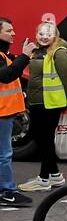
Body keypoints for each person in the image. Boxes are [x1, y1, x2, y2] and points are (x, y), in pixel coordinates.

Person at [18, 20, 67, 193]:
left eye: (48, 34)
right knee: (41, 137)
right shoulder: (37, 51)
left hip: (50, 103)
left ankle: (44, 178)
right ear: (36, 35)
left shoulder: (59, 52)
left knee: (45, 139)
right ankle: (55, 175)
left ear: (55, 36)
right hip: (38, 102)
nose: (44, 37)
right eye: (41, 34)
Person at [0, 18, 35, 207]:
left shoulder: (4, 55)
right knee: (4, 154)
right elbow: (6, 76)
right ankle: (7, 191)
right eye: (8, 30)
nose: (13, 33)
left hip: (4, 112)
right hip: (1, 113)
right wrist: (25, 56)